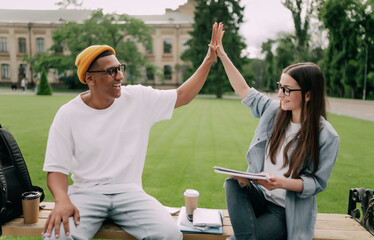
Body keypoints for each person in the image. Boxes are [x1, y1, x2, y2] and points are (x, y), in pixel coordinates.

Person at [42, 23, 219, 240]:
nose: (119, 76)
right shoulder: (67, 114)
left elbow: (182, 95)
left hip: (130, 193)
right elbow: (56, 169)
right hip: (85, 194)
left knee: (170, 234)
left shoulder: (137, 98)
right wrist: (61, 200)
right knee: (57, 236)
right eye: (111, 71)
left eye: (120, 68)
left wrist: (209, 60)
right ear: (90, 78)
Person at [214, 23, 340, 240]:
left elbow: (316, 183)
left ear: (308, 95)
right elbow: (244, 90)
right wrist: (222, 55)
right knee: (233, 182)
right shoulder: (274, 111)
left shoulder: (326, 136)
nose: (280, 94)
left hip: (284, 211)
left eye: (287, 90)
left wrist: (279, 182)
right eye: (280, 87)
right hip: (259, 196)